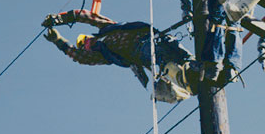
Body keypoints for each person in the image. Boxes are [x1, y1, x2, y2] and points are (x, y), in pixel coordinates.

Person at [42, 9, 205, 103]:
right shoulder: (102, 54)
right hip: (141, 50)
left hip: (150, 36)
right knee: (162, 58)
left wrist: (60, 18)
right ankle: (183, 79)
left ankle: (193, 69)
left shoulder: (107, 29)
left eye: (84, 39)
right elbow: (79, 57)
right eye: (82, 44)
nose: (85, 42)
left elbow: (86, 16)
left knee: (174, 46)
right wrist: (58, 40)